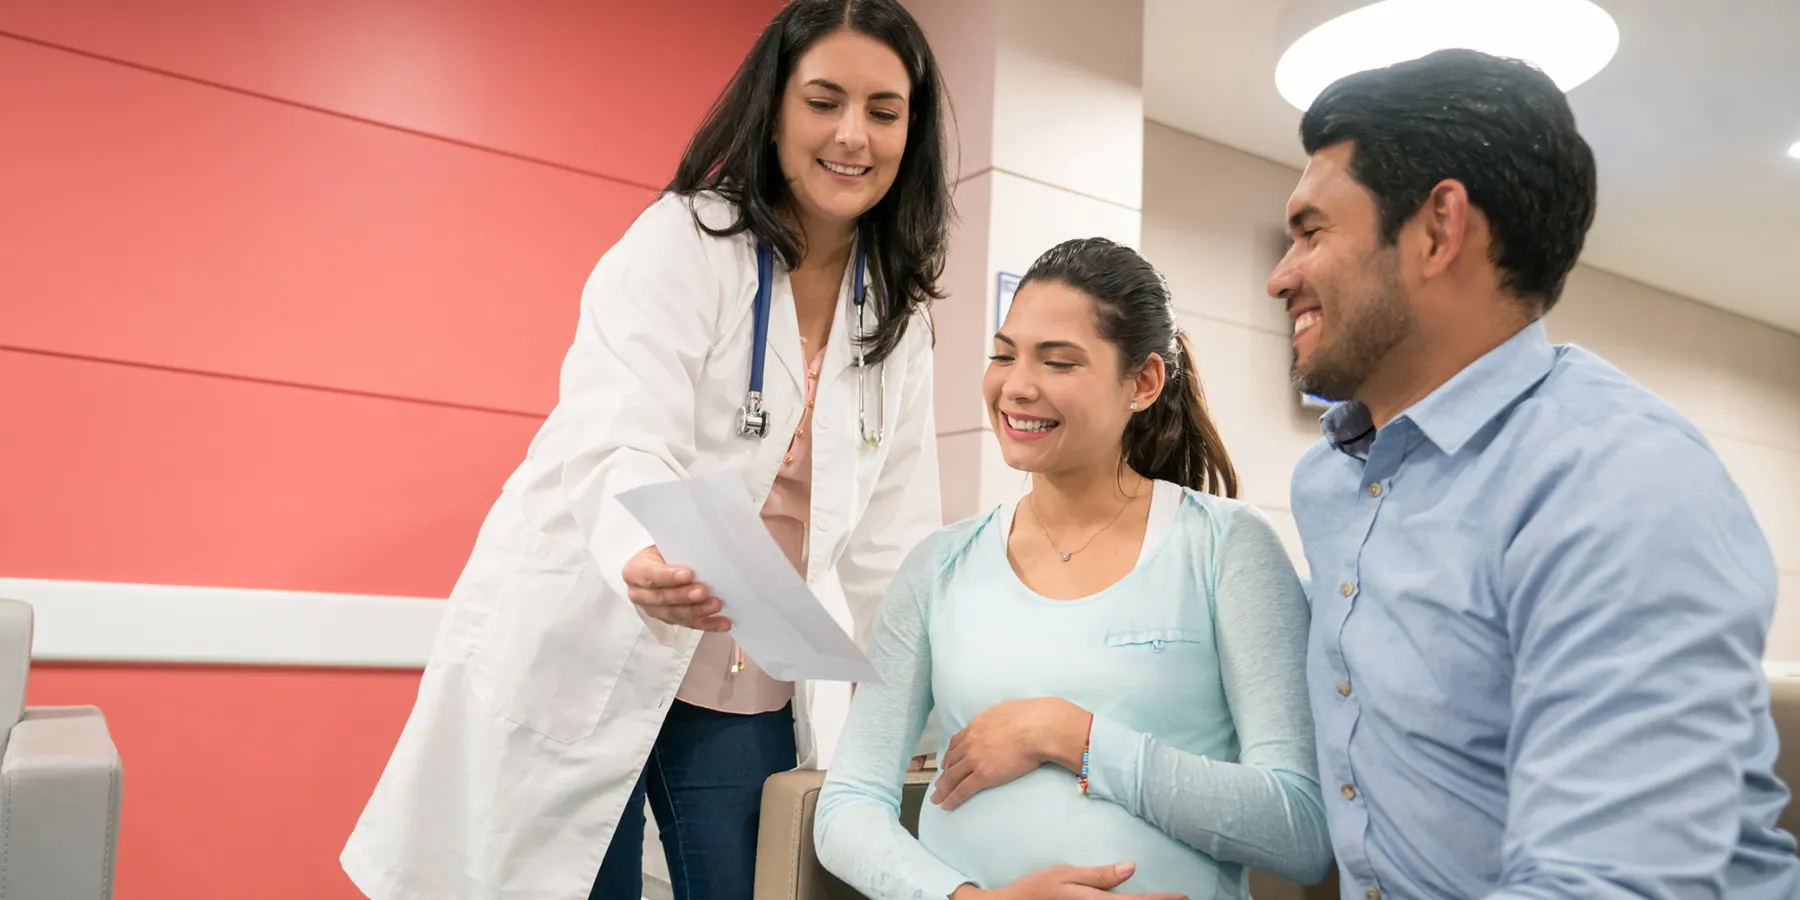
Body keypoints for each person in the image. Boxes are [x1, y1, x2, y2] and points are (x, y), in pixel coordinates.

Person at [339, 2, 953, 897]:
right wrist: (642, 553)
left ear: (913, 130)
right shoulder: (689, 242)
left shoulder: (895, 316)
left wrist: (920, 710)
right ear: (775, 107)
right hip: (599, 620)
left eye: (883, 111)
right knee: (578, 878)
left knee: (753, 880)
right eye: (824, 101)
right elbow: (615, 432)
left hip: (744, 667)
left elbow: (898, 541)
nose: (852, 135)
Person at [1268, 48, 1799, 900]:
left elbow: (1607, 886)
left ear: (1439, 228)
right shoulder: (1331, 480)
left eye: (1311, 231)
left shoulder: (1620, 480)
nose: (1278, 275)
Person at [814, 237, 1333, 900]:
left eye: (1058, 362)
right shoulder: (939, 565)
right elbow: (849, 805)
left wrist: (1073, 737)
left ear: (1142, 383)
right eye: (1004, 354)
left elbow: (1299, 829)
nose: (1017, 385)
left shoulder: (1227, 547)